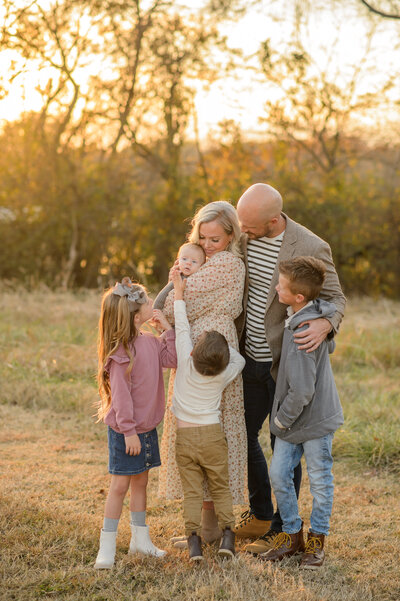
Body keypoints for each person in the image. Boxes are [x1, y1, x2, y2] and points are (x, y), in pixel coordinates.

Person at [234, 183, 346, 555]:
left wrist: (326, 324)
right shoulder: (243, 235)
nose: (242, 230)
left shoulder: (311, 246)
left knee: (284, 444)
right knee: (243, 435)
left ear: (272, 220)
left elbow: (336, 298)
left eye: (248, 226)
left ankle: (285, 529)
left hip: (286, 365)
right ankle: (262, 513)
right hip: (247, 356)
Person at [158, 200, 247, 546]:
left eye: (216, 239)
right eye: (203, 238)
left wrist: (176, 283)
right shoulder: (204, 260)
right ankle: (208, 528)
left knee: (213, 430)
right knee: (199, 430)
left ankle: (211, 528)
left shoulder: (226, 264)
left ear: (230, 237)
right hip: (193, 342)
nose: (208, 246)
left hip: (212, 349)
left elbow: (171, 304)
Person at [260, 256, 343, 567]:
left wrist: (279, 420)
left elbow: (304, 391)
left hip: (313, 418)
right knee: (279, 473)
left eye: (281, 285)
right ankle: (292, 534)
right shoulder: (301, 315)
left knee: (320, 479)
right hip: (294, 418)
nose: (276, 287)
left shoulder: (304, 330)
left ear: (298, 297)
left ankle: (317, 540)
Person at [94, 279, 177, 569]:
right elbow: (120, 398)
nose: (152, 303)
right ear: (136, 314)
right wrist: (129, 432)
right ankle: (107, 547)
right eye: (147, 301)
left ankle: (140, 541)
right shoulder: (121, 354)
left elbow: (174, 359)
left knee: (141, 481)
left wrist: (166, 330)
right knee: (119, 486)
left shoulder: (151, 342)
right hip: (126, 432)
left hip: (146, 428)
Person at [170, 270, 245, 561]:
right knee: (219, 487)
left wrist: (178, 291)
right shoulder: (224, 374)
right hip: (213, 436)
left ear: (192, 352)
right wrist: (224, 349)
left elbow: (183, 327)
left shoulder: (185, 361)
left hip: (185, 438)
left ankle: (193, 541)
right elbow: (240, 359)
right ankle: (227, 536)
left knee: (193, 493)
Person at [153, 242, 206, 311]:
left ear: (201, 266)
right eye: (184, 259)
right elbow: (164, 294)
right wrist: (156, 309)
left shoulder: (201, 278)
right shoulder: (178, 277)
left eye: (194, 261)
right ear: (178, 261)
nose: (188, 263)